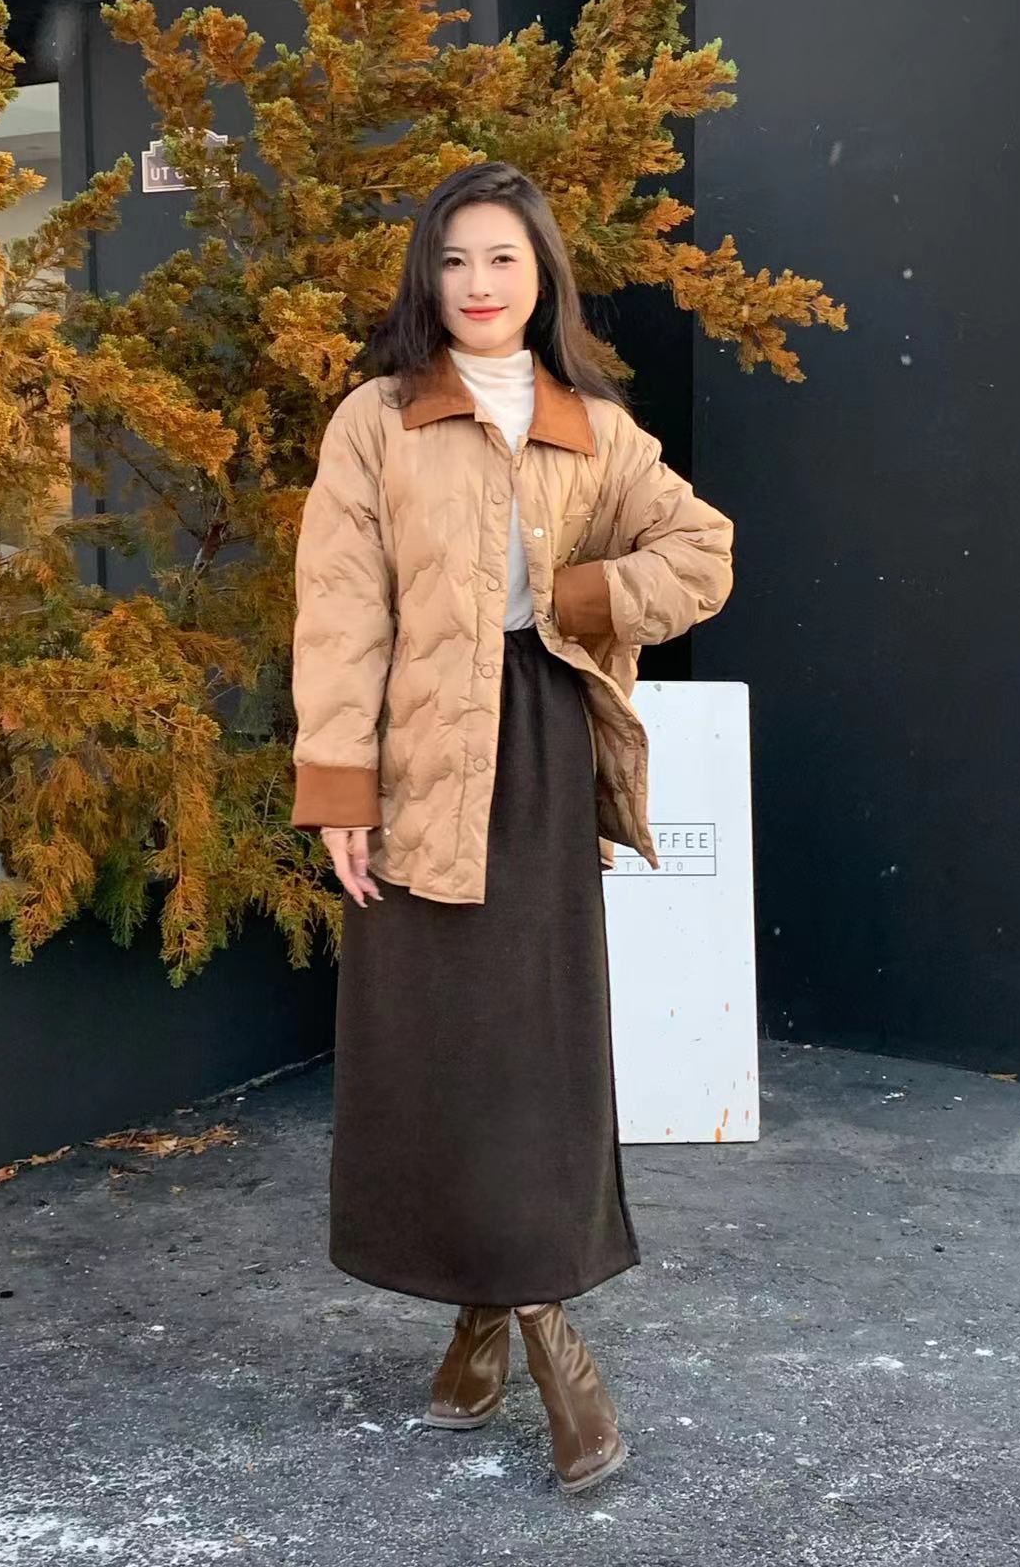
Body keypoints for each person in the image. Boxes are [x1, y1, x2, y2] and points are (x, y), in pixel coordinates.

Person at [289, 159, 734, 1494]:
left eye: (502, 259)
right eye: (454, 260)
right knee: (432, 1056)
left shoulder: (595, 427)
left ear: (543, 276)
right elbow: (340, 609)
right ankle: (484, 1316)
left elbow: (703, 554)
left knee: (533, 1058)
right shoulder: (377, 419)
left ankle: (546, 1336)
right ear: (426, 280)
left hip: (536, 758)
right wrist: (339, 787)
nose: (477, 284)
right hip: (419, 765)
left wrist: (583, 596)